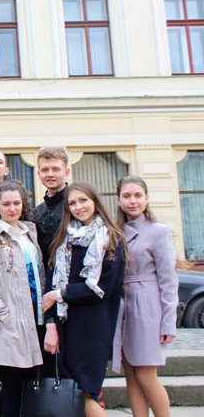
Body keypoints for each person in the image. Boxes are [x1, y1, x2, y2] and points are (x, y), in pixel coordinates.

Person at [41, 181, 127, 417]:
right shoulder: (64, 241)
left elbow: (102, 288)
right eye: (72, 203)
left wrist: (61, 294)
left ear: (95, 202)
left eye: (83, 200)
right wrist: (51, 325)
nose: (79, 207)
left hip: (92, 328)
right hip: (64, 325)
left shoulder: (111, 239)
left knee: (85, 390)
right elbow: (49, 287)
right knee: (70, 392)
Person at [0, 181, 45, 417]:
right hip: (11, 322)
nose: (12, 208)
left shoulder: (30, 232)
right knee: (12, 385)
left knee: (33, 384)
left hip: (38, 317)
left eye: (17, 203)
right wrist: (2, 314)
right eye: (6, 204)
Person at [113, 175, 178, 417]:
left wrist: (169, 321)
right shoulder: (115, 231)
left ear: (147, 198)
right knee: (130, 374)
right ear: (118, 200)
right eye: (127, 196)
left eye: (138, 195)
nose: (133, 201)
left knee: (145, 374)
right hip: (123, 308)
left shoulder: (158, 231)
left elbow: (168, 279)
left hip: (147, 305)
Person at [33, 147, 71, 267]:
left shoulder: (77, 208)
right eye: (45, 170)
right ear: (39, 174)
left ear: (66, 172)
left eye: (56, 169)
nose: (50, 174)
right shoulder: (35, 213)